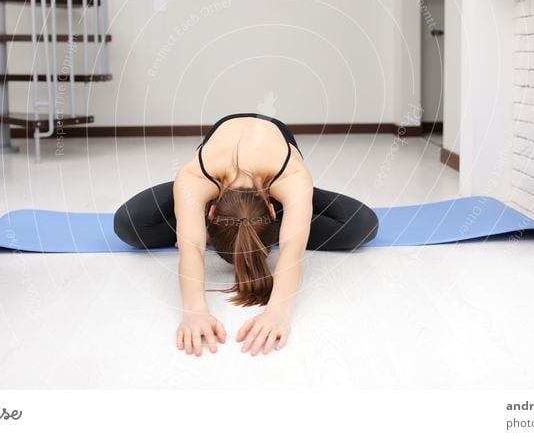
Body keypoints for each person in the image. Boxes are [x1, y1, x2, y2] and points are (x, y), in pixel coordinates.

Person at [113, 112, 379, 357]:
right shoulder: (193, 177)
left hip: (276, 169)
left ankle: (268, 218)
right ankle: (237, 221)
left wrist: (278, 312)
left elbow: (292, 249)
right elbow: (191, 247)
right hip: (217, 176)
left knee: (362, 224)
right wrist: (194, 311)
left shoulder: (293, 176)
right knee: (129, 224)